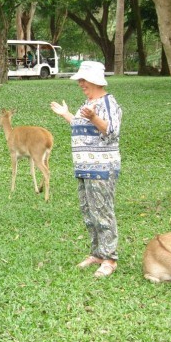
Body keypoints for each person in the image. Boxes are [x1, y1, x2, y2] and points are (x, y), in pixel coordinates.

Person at [50, 61, 122, 278]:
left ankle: (110, 258)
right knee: (89, 212)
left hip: (102, 168)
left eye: (84, 80)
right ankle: (97, 254)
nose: (81, 83)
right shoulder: (89, 102)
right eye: (80, 80)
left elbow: (111, 132)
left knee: (103, 212)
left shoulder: (108, 103)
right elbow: (81, 127)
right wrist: (66, 114)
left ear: (96, 81)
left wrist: (93, 117)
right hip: (84, 167)